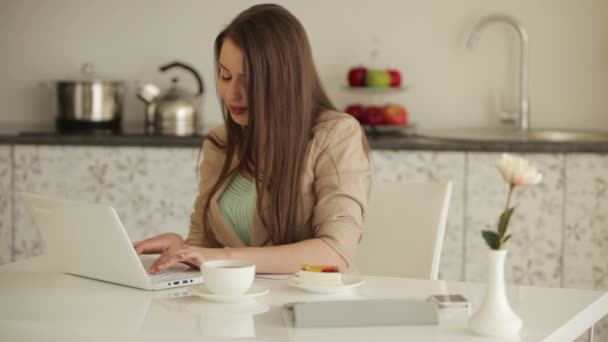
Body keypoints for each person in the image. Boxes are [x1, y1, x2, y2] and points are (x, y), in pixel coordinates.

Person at [133, 3, 372, 275]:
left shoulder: (337, 135)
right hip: (239, 304)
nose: (231, 93)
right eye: (225, 75)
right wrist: (183, 248)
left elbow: (335, 252)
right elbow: (205, 245)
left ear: (283, 81)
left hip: (304, 306)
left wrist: (226, 257)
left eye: (248, 81)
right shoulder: (220, 143)